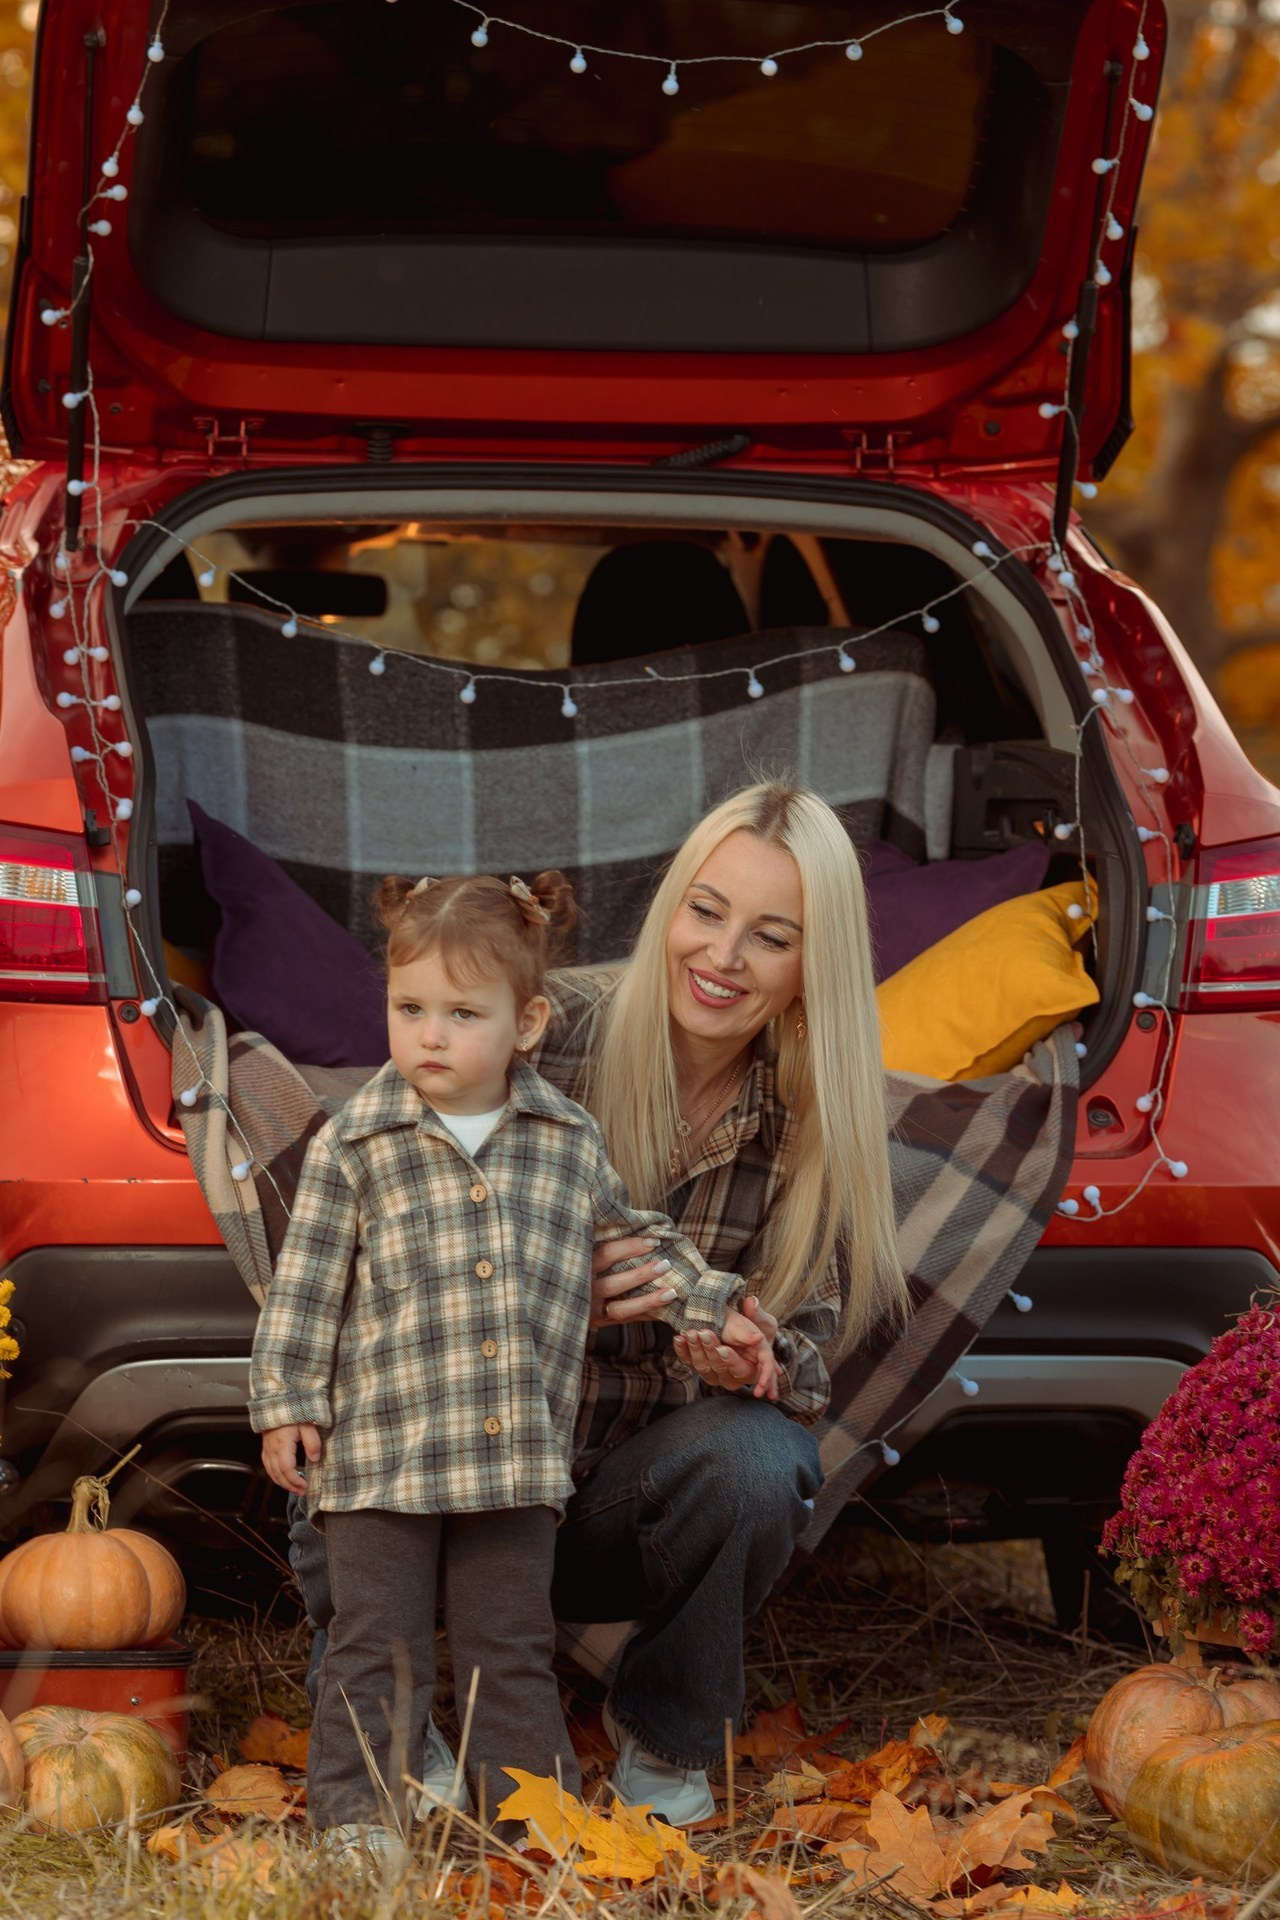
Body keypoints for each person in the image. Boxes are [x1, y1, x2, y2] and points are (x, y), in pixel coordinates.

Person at [288, 781, 905, 1827]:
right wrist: (530, 1303)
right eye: (705, 913)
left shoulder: (808, 1119)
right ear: (669, 911)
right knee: (330, 1446)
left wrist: (741, 1355)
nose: (721, 958)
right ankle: (387, 1727)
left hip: (602, 1505)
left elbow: (804, 1369)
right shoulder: (533, 1028)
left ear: (810, 968)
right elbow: (363, 1225)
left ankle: (663, 1730)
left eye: (769, 937)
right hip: (441, 1463)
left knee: (760, 1457)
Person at [250, 868, 779, 1855]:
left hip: (509, 1466)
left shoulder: (564, 1141)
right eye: (410, 1009)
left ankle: (527, 1820)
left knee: (510, 1652)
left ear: (527, 1021)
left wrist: (718, 1304)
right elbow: (305, 1283)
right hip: (381, 1464)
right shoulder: (356, 1143)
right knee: (376, 1651)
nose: (430, 1037)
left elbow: (641, 1240)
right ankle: (363, 1820)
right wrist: (285, 1399)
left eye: (461, 1012)